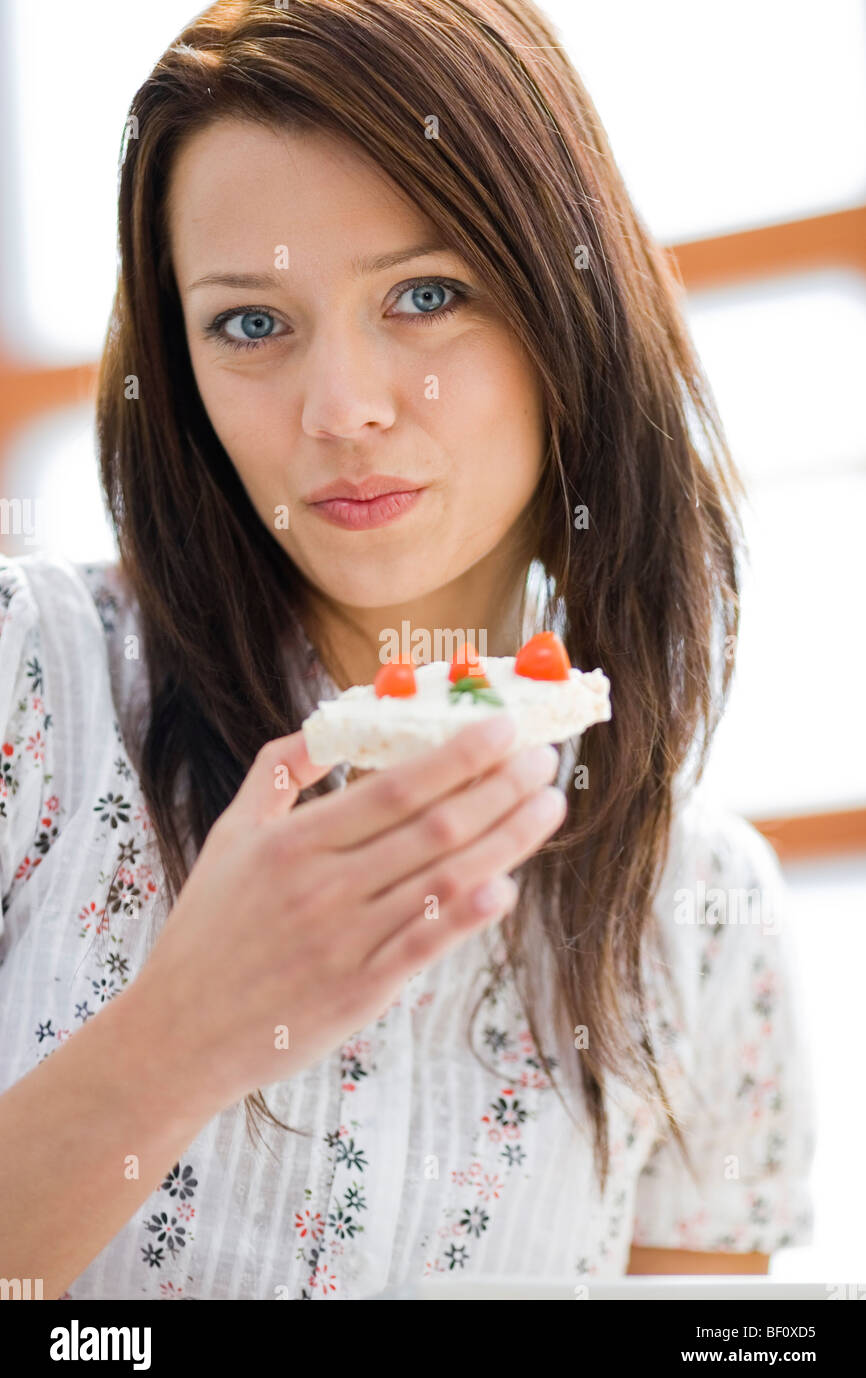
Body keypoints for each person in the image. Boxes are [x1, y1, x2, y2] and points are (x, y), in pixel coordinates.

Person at [0, 0, 815, 1300]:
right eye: (250, 324)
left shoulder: (699, 917)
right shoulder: (29, 682)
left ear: (568, 306)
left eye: (425, 295)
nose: (342, 409)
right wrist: (181, 1035)